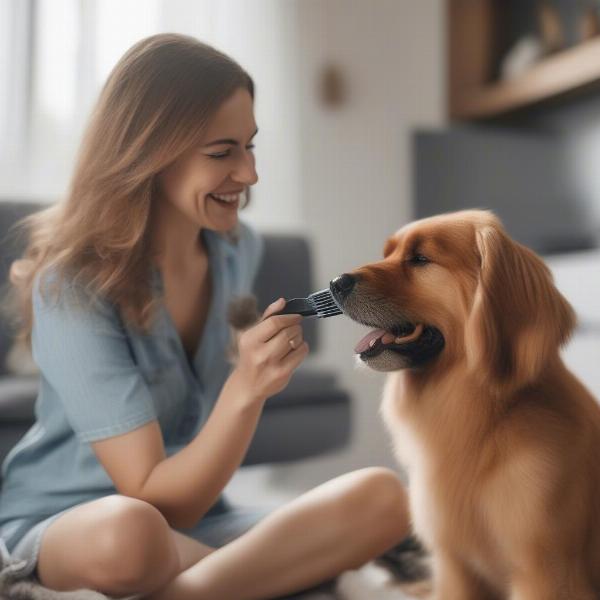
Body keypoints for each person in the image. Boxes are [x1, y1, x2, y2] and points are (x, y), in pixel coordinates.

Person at [0, 33, 410, 599]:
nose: (249, 174)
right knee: (130, 533)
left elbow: (190, 509)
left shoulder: (238, 249)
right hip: (73, 524)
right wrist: (247, 389)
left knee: (383, 497)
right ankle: (245, 580)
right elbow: (152, 496)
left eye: (250, 146)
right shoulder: (69, 285)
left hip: (197, 526)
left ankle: (193, 590)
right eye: (222, 153)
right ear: (148, 153)